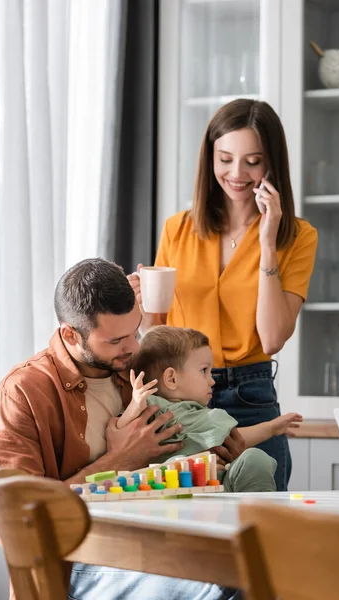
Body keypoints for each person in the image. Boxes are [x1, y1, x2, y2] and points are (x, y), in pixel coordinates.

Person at [0, 257, 244, 600]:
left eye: (135, 332)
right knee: (226, 583)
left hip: (163, 538)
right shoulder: (24, 393)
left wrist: (226, 456)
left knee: (266, 568)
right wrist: (122, 458)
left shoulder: (135, 371)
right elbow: (18, 524)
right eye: (116, 340)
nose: (134, 347)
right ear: (70, 335)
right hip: (76, 560)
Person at [128, 98, 318, 491]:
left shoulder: (297, 237)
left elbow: (272, 338)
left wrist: (267, 243)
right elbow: (155, 332)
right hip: (178, 395)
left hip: (251, 396)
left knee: (260, 528)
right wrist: (139, 305)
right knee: (186, 527)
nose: (237, 173)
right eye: (225, 158)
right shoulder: (178, 229)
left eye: (253, 161)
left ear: (272, 164)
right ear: (209, 158)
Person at [117, 325, 302, 492]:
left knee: (255, 459)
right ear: (171, 379)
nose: (212, 381)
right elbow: (121, 432)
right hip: (173, 489)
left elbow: (236, 438)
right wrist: (135, 405)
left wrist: (272, 428)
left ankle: (257, 516)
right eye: (204, 371)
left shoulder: (204, 415)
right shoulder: (151, 405)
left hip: (219, 484)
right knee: (176, 465)